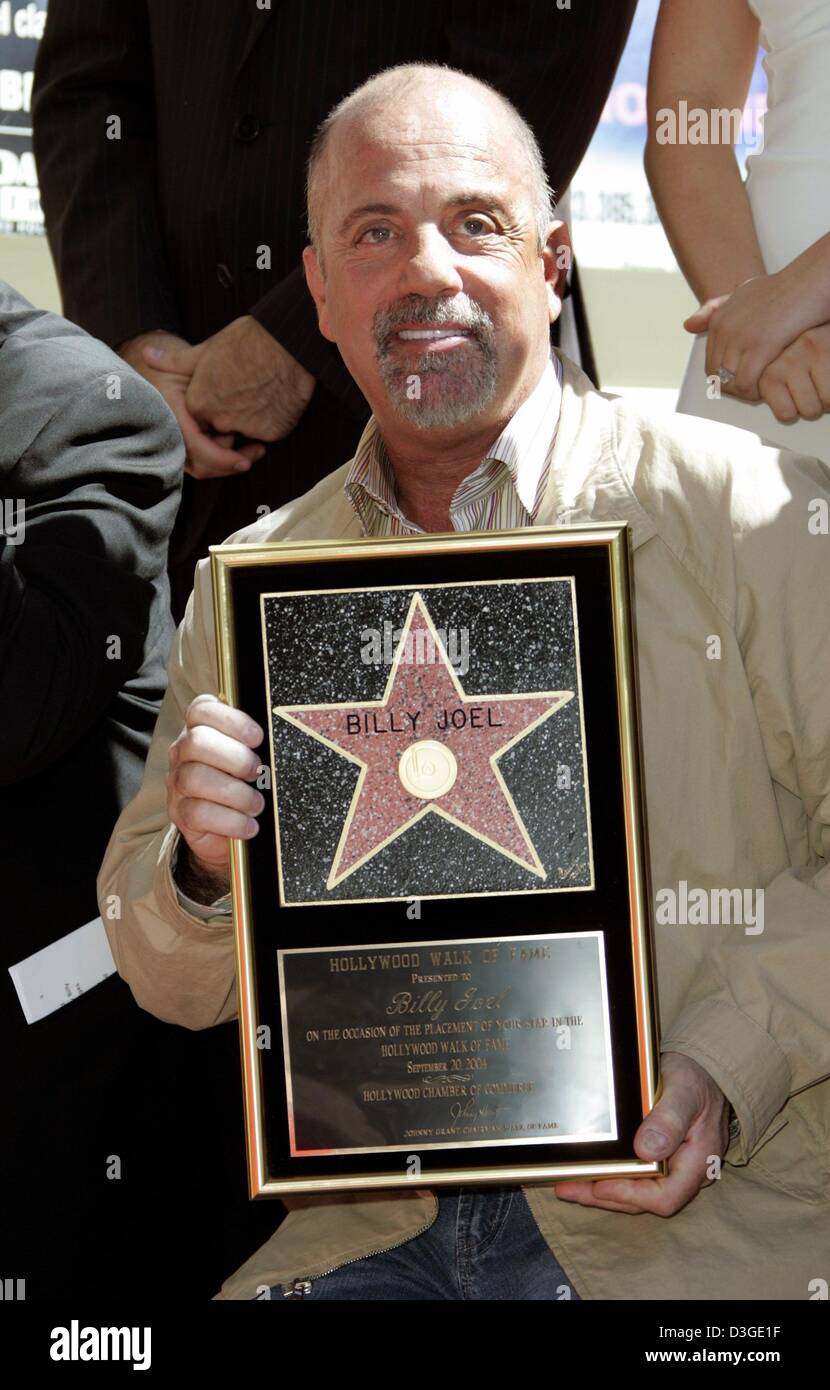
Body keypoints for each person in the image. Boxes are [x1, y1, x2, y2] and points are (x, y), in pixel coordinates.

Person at [99, 64, 830, 1301]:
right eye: (372, 233)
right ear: (319, 295)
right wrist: (202, 867)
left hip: (704, 1235)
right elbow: (166, 977)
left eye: (472, 225)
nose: (424, 270)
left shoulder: (750, 518)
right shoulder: (257, 584)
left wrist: (727, 1060)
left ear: (552, 263)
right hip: (364, 1239)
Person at [31, 0, 637, 619]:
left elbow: (519, 106)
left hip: (440, 392)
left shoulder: (715, 506)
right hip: (175, 426)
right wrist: (136, 340)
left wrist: (294, 337)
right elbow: (87, 81)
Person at [645, 0, 830, 459]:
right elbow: (690, 105)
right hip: (769, 354)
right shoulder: (765, 328)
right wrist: (750, 323)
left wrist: (812, 285)